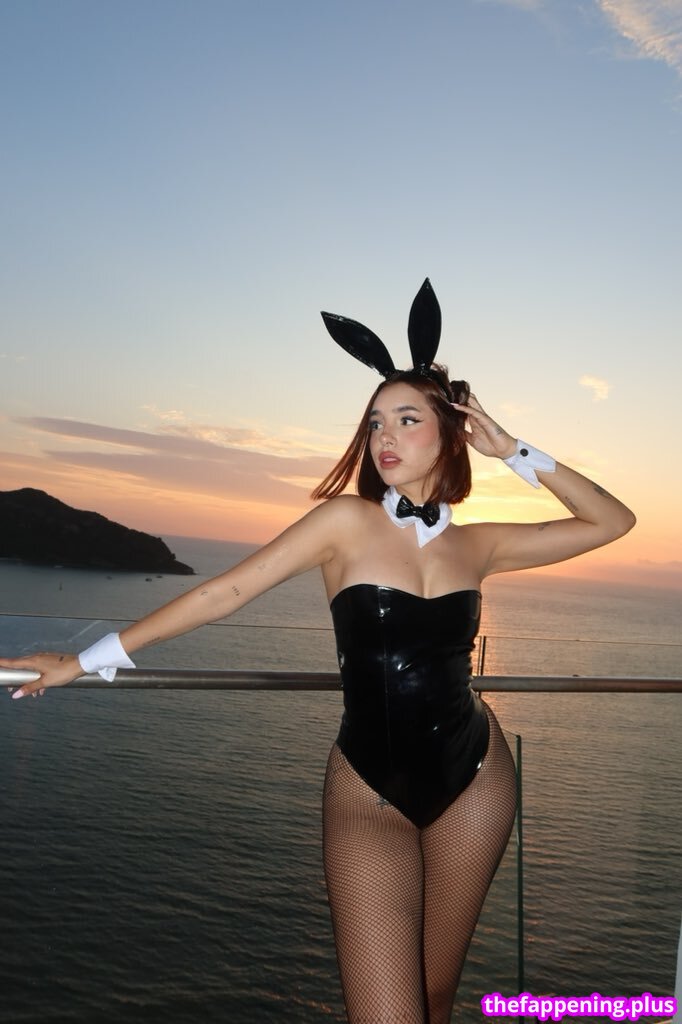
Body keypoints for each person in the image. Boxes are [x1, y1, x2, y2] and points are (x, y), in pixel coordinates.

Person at [3, 280, 635, 1024]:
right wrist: (85, 659)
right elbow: (224, 593)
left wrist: (511, 449)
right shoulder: (345, 522)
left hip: (477, 780)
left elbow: (612, 521)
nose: (384, 437)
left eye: (407, 419)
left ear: (452, 432)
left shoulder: (480, 543)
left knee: (436, 998)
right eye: (375, 423)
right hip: (369, 790)